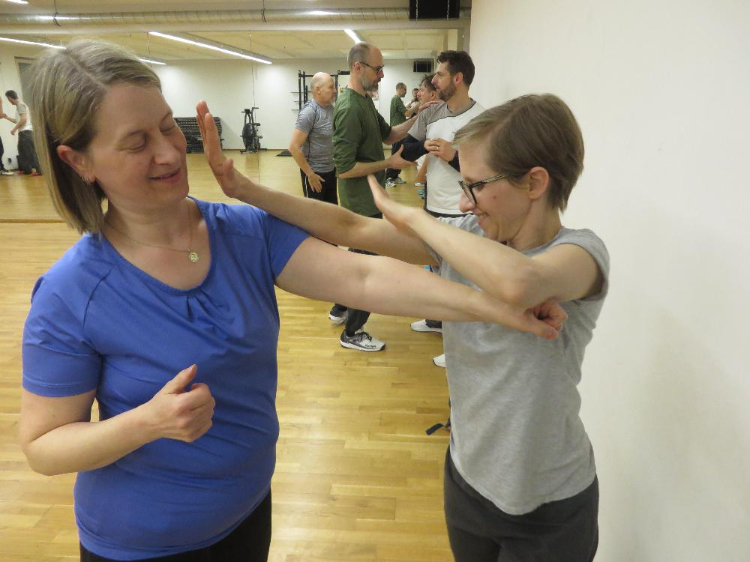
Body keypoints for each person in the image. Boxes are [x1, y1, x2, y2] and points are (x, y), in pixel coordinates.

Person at [20, 39, 565, 562]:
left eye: (168, 127)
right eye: (137, 143)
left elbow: (362, 277)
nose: (169, 152)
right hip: (140, 541)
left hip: (248, 512)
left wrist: (495, 306)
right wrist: (146, 423)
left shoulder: (242, 232)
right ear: (79, 161)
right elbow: (43, 446)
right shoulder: (73, 290)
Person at [204, 93, 608, 562]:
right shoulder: (465, 239)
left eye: (475, 185)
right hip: (467, 481)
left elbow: (519, 283)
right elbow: (351, 229)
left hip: (550, 508)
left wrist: (418, 217)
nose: (463, 200)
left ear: (535, 182)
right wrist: (244, 189)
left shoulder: (581, 254)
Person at [330, 42, 418, 352]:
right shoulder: (349, 108)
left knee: (357, 257)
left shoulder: (365, 101)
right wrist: (389, 164)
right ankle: (353, 332)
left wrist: (420, 116)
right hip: (360, 203)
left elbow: (389, 135)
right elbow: (343, 169)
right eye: (377, 69)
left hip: (371, 198)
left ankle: (339, 308)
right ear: (358, 68)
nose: (382, 75)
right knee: (367, 268)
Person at [401, 52, 486, 366]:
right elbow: (404, 150)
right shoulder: (430, 113)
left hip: (464, 213)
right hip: (432, 206)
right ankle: (436, 322)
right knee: (436, 273)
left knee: (459, 285)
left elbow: (487, 174)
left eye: (439, 75)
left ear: (458, 78)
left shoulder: (483, 119)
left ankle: (459, 350)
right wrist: (422, 145)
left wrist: (453, 156)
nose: (433, 81)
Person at [287, 71, 348, 325]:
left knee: (330, 218)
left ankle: (330, 261)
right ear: (317, 90)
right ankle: (312, 268)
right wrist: (310, 174)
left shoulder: (332, 109)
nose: (334, 90)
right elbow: (293, 147)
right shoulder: (309, 112)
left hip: (330, 171)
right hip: (314, 174)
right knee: (314, 224)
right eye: (331, 87)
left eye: (334, 87)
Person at [385, 82, 418, 187]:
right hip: (396, 133)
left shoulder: (397, 100)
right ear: (399, 88)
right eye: (405, 89)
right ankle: (388, 178)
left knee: (399, 154)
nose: (406, 91)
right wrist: (420, 105)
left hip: (400, 133)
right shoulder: (396, 99)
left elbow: (405, 111)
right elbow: (407, 113)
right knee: (396, 154)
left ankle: (395, 176)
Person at [2, 89, 42, 176]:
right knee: (22, 151)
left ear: (10, 97)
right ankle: (26, 170)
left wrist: (14, 129)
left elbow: (24, 119)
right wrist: (6, 117)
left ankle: (39, 170)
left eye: (8, 99)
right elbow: (17, 120)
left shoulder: (20, 105)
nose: (9, 101)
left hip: (26, 132)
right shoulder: (18, 107)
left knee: (30, 151)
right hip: (23, 132)